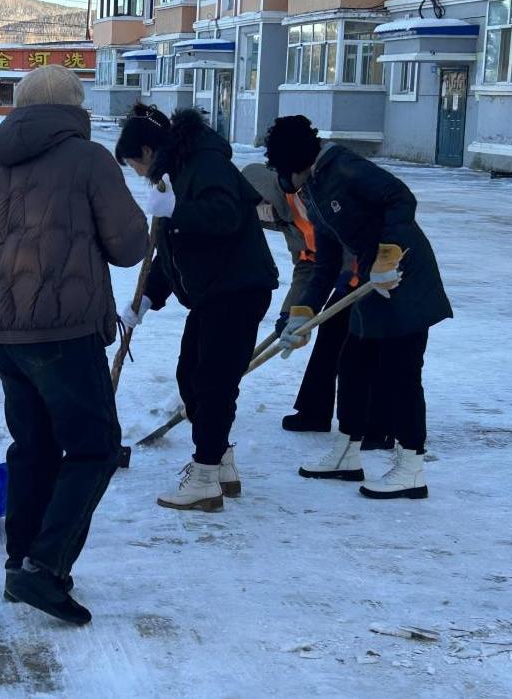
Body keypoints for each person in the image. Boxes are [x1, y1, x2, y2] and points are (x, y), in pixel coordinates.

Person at [0, 66, 148, 625]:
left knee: (34, 448)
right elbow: (128, 247)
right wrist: (151, 219)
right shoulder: (88, 158)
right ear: (75, 108)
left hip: (5, 329)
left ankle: (19, 564)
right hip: (63, 329)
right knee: (95, 447)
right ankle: (45, 568)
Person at [265, 115, 452, 500]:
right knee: (352, 365)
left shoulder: (345, 168)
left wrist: (388, 254)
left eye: (285, 172)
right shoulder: (315, 188)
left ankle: (411, 468)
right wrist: (302, 314)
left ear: (297, 161)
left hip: (404, 279)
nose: (286, 183)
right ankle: (347, 453)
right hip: (369, 282)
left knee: (401, 373)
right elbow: (326, 263)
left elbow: (400, 197)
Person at [116, 105, 278, 512]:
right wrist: (149, 296)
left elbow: (224, 216)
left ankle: (205, 476)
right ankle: (220, 463)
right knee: (192, 378)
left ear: (148, 151)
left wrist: (177, 211)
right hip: (215, 292)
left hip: (238, 288)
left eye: (135, 164)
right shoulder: (177, 172)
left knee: (212, 383)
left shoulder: (206, 163)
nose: (137, 173)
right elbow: (173, 248)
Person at [241, 160, 391, 448]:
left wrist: (343, 280)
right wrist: (292, 312)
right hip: (347, 277)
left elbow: (353, 245)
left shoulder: (313, 198)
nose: (261, 213)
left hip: (379, 274)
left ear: (267, 194)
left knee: (361, 347)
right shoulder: (287, 220)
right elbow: (307, 265)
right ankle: (314, 412)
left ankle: (378, 427)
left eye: (259, 204)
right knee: (331, 334)